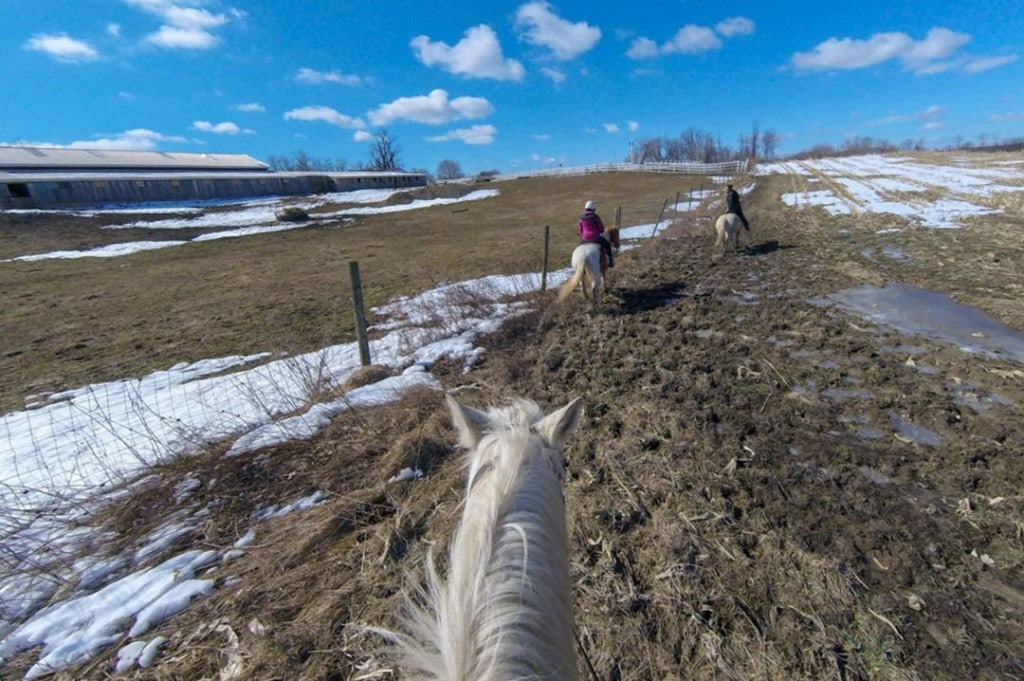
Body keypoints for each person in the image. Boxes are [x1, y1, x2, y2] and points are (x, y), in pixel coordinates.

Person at [578, 200, 614, 267]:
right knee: (607, 245)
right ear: (594, 209)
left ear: (585, 208)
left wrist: (584, 235)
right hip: (596, 238)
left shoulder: (581, 218)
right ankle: (611, 261)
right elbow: (601, 229)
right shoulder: (595, 217)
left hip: (585, 238)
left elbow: (580, 229)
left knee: (578, 248)